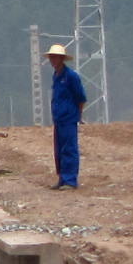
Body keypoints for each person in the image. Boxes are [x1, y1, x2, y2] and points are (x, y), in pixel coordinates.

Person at [46, 44, 88, 189]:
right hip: (59, 118)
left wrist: (78, 114)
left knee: (69, 148)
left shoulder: (71, 76)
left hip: (69, 118)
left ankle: (70, 180)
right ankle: (62, 178)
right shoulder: (56, 75)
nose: (52, 60)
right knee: (59, 150)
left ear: (61, 58)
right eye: (51, 57)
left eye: (55, 57)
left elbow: (81, 97)